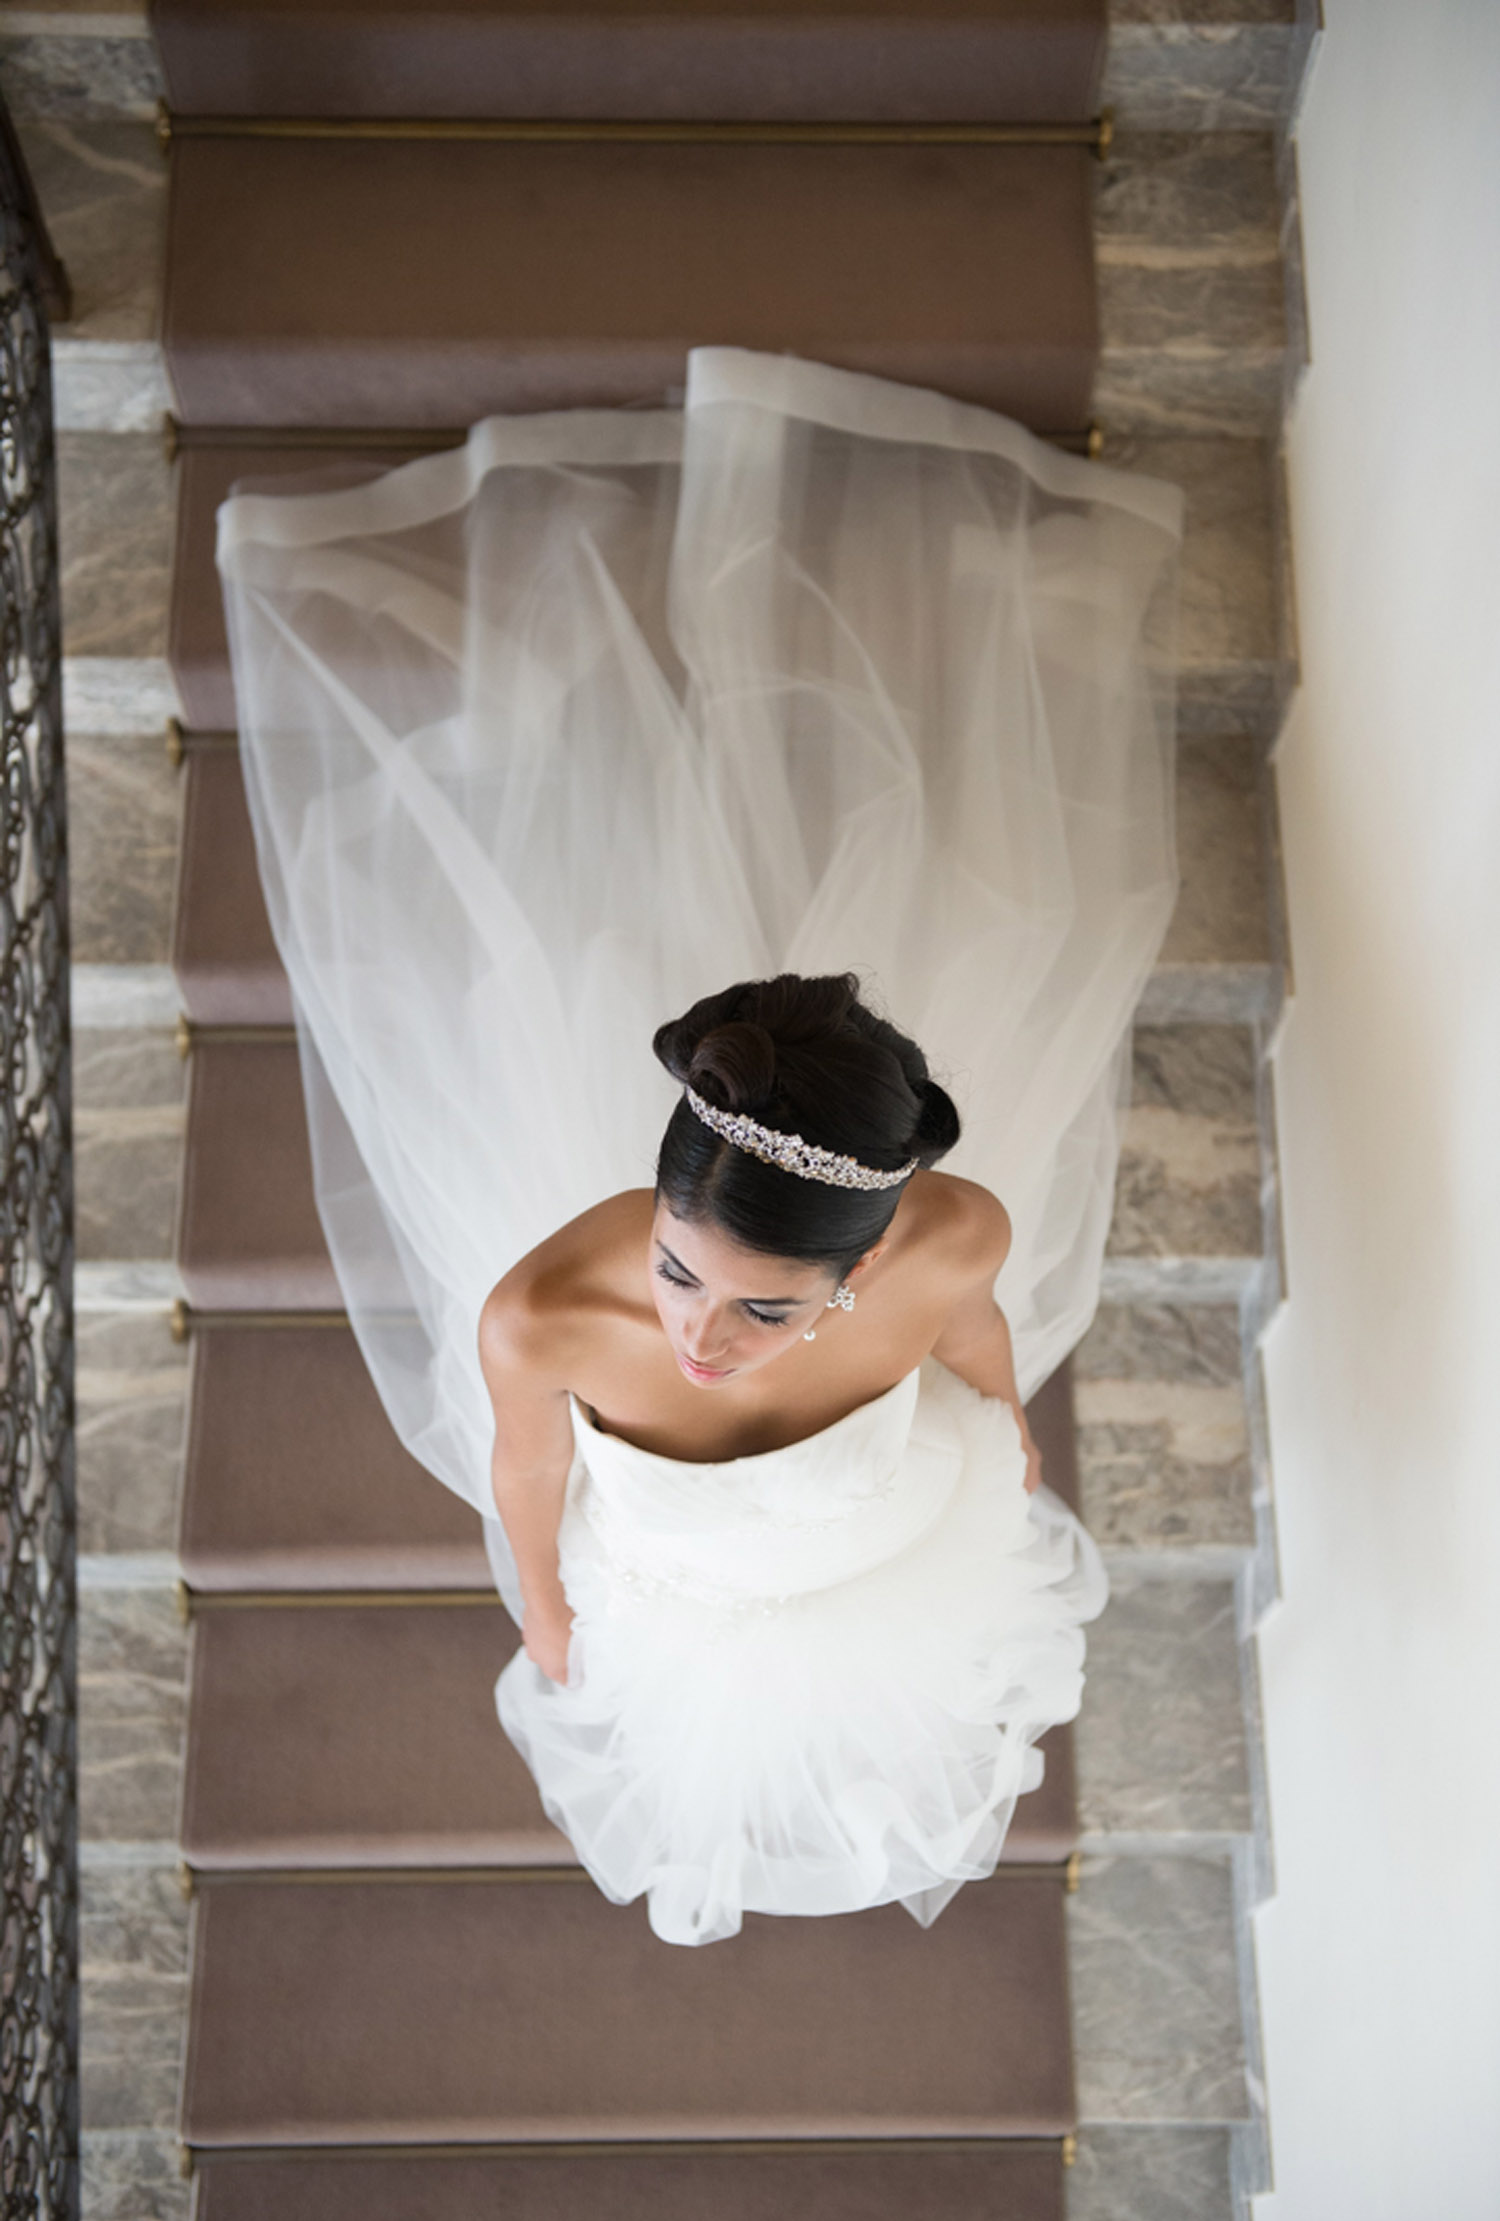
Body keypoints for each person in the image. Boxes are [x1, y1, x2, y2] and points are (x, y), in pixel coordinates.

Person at [216, 346, 1183, 1945]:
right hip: (680, 1594)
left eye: (763, 1308)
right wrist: (543, 1613)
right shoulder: (544, 1318)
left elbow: (975, 1323)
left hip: (885, 1542)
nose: (696, 1336)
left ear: (862, 1263)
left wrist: (1006, 1416)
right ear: (654, 1210)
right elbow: (529, 1461)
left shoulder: (950, 1237)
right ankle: (525, 707)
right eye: (679, 1272)